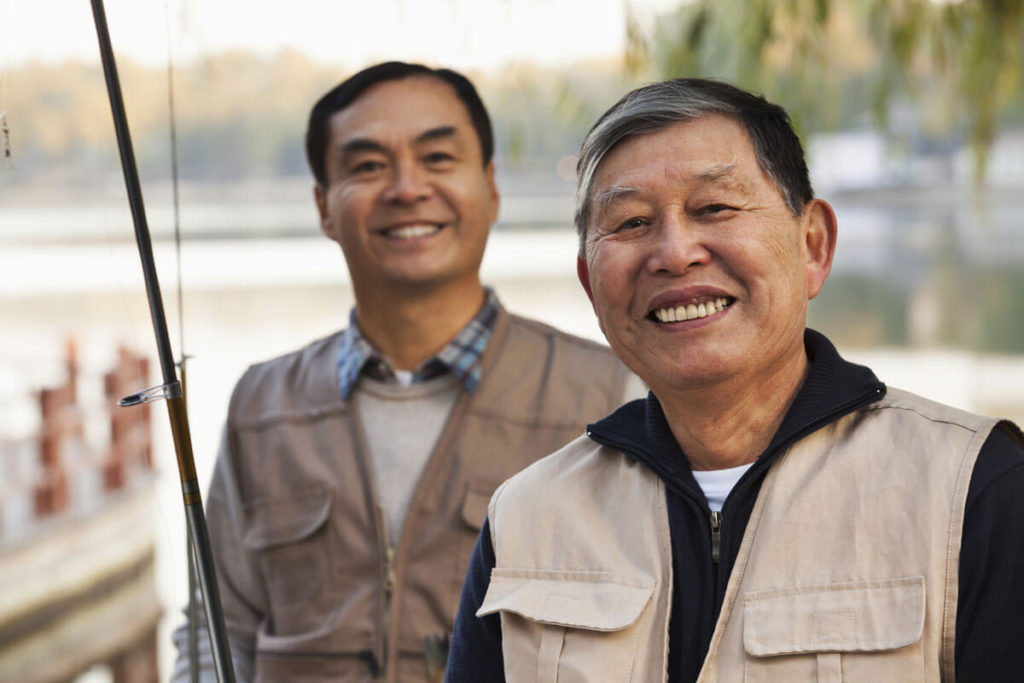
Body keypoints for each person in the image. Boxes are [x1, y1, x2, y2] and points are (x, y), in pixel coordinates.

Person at [445, 77, 1024, 682]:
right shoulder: (531, 515)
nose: (674, 252)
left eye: (715, 208)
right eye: (632, 222)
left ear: (813, 246)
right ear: (592, 285)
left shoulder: (970, 488)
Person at [170, 61, 640, 682]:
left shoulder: (610, 393)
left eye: (438, 158)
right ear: (323, 207)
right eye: (367, 166)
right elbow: (215, 632)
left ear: (491, 187)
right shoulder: (262, 402)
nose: (406, 188)